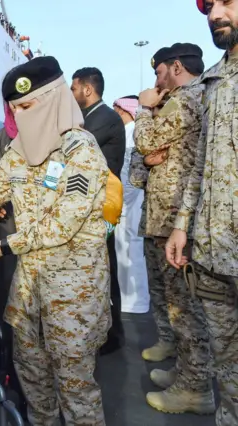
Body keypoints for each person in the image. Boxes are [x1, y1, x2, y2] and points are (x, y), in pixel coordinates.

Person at [0, 56, 110, 426]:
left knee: (76, 392)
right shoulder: (18, 151)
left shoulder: (81, 150)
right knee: (34, 383)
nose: (21, 116)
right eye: (15, 109)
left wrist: (3, 247)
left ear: (54, 99)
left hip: (74, 294)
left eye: (28, 106)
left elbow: (64, 223)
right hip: (27, 292)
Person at [166, 3, 238, 424]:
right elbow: (200, 164)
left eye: (228, 2)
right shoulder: (214, 79)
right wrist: (181, 225)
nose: (216, 14)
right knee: (227, 370)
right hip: (213, 254)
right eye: (210, 6)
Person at [133, 43, 214, 414]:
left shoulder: (183, 100)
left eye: (159, 72)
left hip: (177, 221)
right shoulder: (187, 99)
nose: (156, 80)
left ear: (175, 67)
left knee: (185, 308)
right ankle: (187, 373)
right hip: (169, 218)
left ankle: (195, 387)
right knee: (178, 304)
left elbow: (147, 140)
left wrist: (146, 108)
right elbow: (149, 154)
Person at [71, 66, 126, 355]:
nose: (72, 93)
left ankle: (112, 335)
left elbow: (75, 153)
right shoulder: (92, 118)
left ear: (87, 89)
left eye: (74, 88)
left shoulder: (103, 119)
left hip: (102, 208)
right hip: (91, 207)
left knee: (105, 270)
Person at [112, 95, 149, 315]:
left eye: (115, 109)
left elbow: (129, 175)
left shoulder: (130, 133)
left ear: (123, 110)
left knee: (130, 251)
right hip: (131, 203)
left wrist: (120, 203)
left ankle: (133, 302)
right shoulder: (130, 132)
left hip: (129, 204)